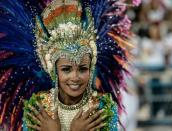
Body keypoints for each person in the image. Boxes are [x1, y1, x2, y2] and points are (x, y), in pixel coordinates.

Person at [0, 0, 141, 130]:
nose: (75, 77)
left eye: (82, 68)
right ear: (54, 71)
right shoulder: (39, 108)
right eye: (66, 69)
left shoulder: (101, 108)